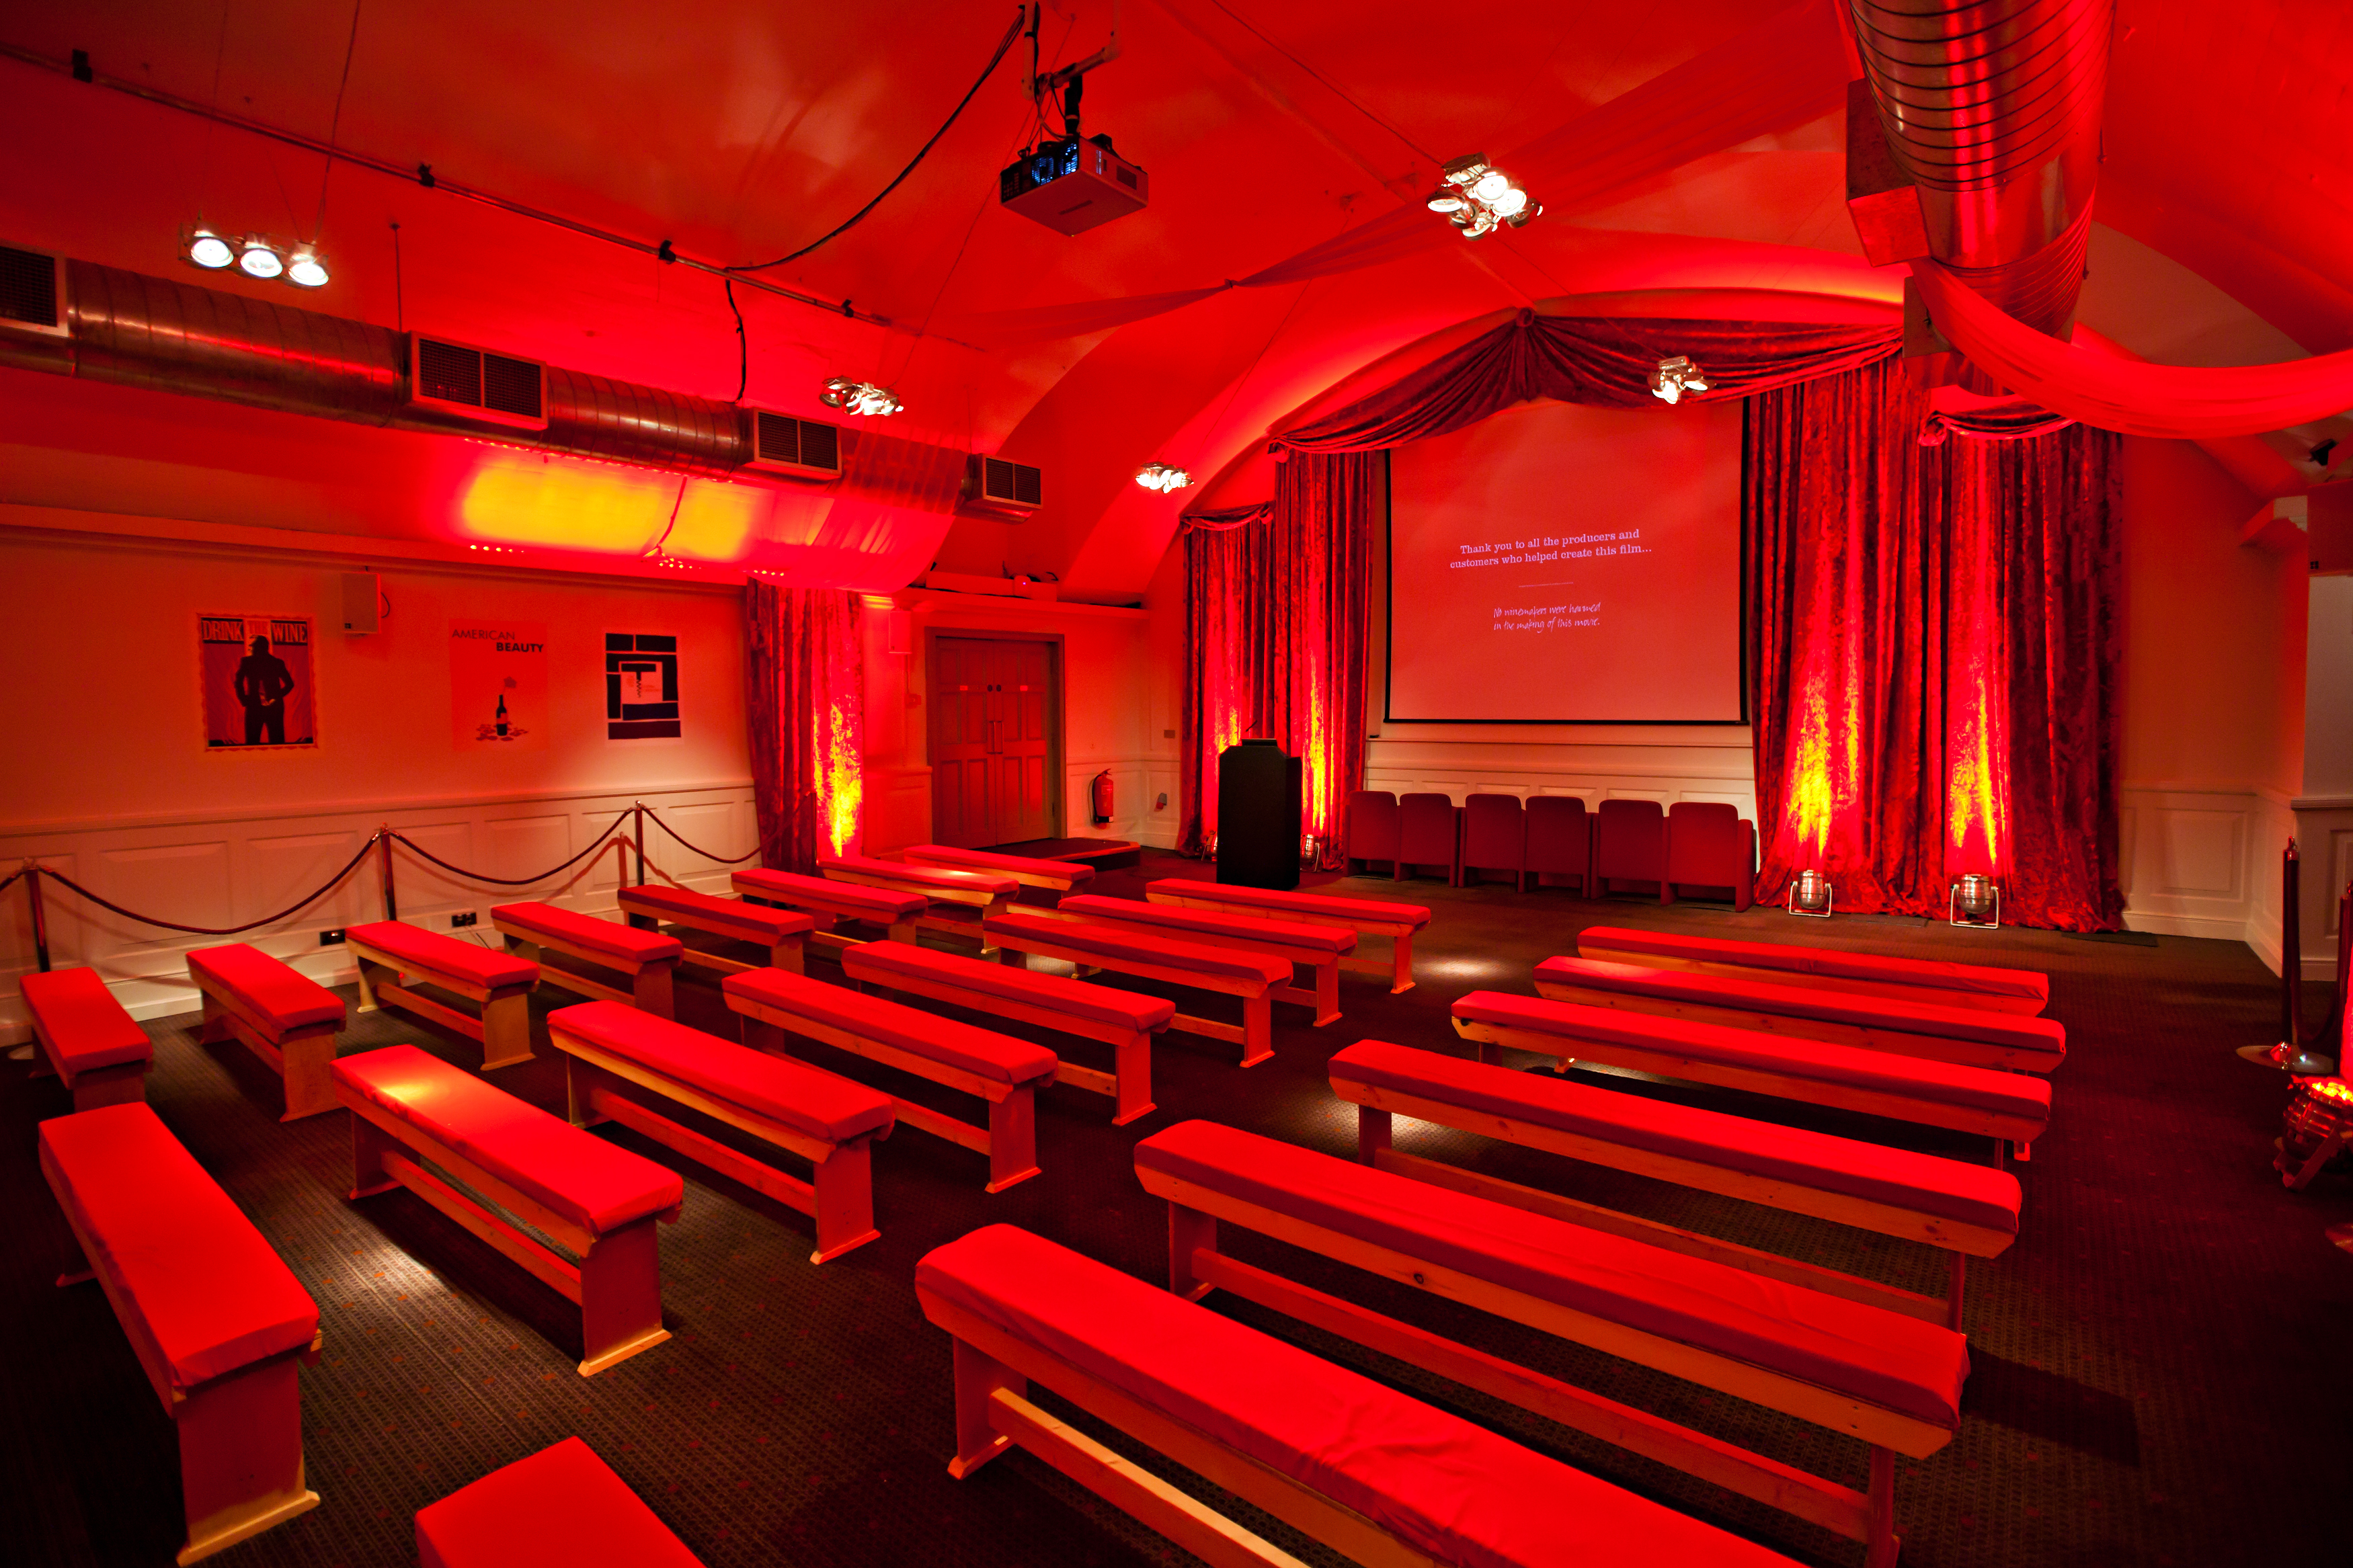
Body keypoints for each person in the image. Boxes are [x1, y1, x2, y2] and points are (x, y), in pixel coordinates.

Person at [233, 634, 296, 745]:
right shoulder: (249, 662)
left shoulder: (275, 663)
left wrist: (275, 696)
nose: (253, 649)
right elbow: (238, 682)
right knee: (254, 741)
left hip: (270, 707)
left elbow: (290, 684)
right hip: (259, 706)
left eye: (255, 647)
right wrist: (244, 700)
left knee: (275, 741)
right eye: (253, 647)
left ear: (263, 648)